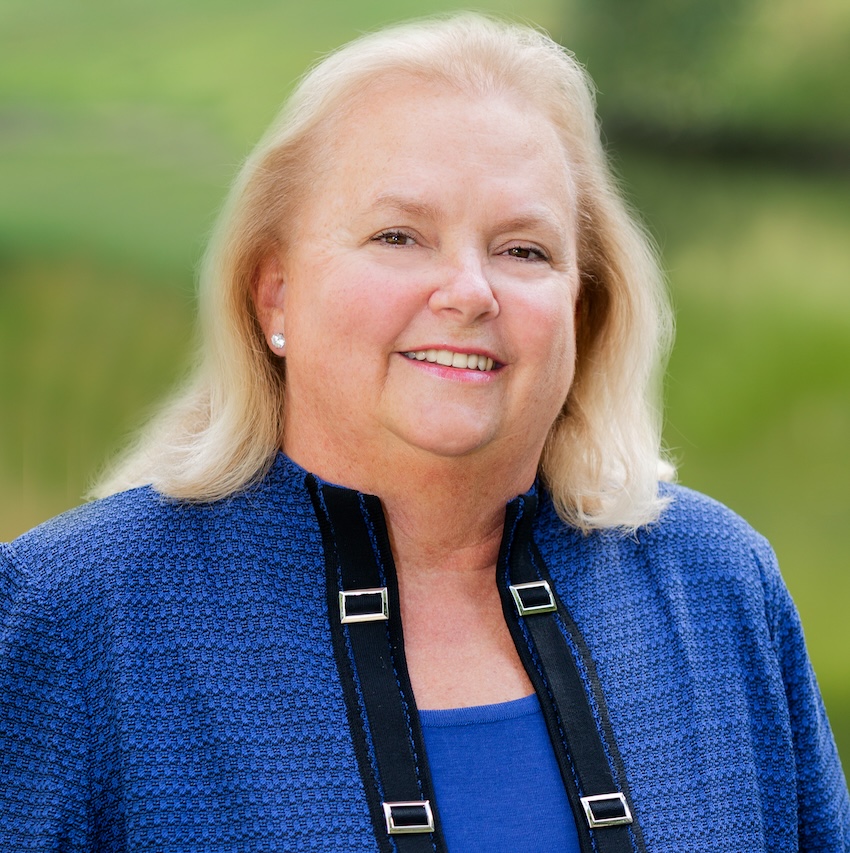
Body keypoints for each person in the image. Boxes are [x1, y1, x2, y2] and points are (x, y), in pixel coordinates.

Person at [1, 13, 847, 852]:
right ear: (275, 295)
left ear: (583, 310)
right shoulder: (69, 621)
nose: (469, 291)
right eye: (399, 235)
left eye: (523, 251)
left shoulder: (720, 589)